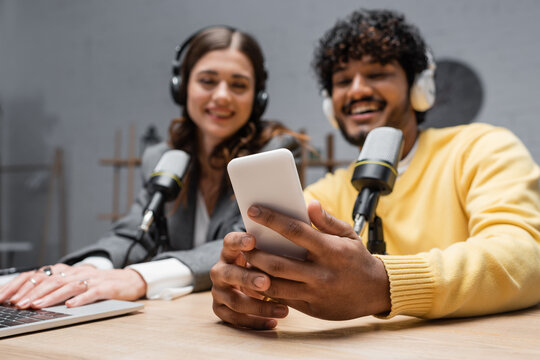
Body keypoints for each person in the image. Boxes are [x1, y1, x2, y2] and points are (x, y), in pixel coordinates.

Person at [210, 9, 540, 330]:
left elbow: (524, 258)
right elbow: (290, 270)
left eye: (377, 73)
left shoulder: (482, 147)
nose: (356, 90)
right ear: (330, 104)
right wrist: (249, 280)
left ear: (418, 89)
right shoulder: (328, 191)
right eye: (342, 80)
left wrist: (383, 284)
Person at [0, 26, 302, 309]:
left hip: (238, 312)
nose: (222, 95)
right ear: (181, 88)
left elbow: (248, 249)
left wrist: (139, 277)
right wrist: (86, 271)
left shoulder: (274, 153)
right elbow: (135, 232)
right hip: (175, 316)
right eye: (208, 81)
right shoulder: (162, 158)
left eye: (238, 85)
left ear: (258, 98)